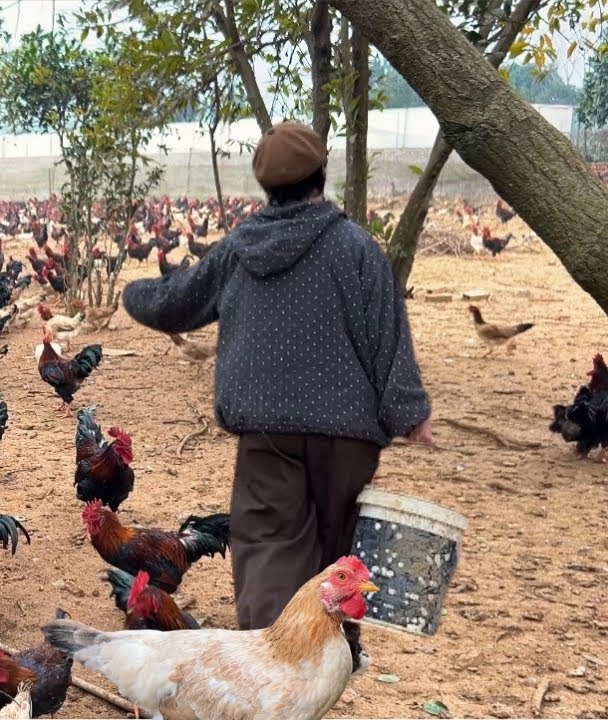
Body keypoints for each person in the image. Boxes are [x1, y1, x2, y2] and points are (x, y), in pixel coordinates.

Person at [121, 121, 433, 673]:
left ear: (265, 186)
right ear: (321, 175)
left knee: (267, 546)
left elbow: (174, 302)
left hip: (268, 433)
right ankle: (335, 657)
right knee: (338, 550)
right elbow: (390, 336)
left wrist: (134, 292)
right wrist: (409, 414)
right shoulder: (358, 249)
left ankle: (274, 670)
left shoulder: (239, 250)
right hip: (348, 435)